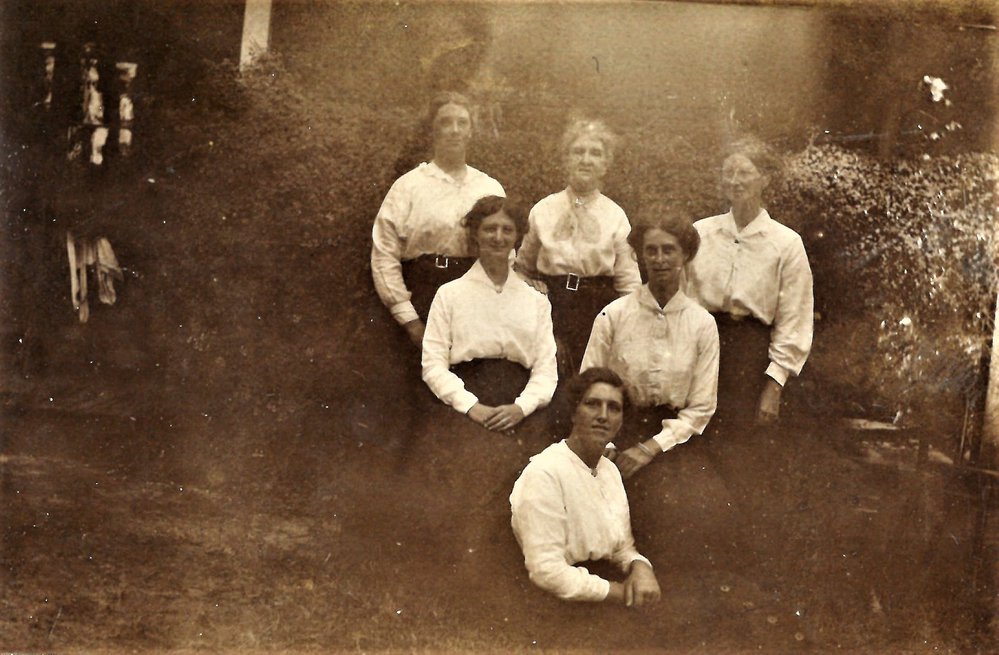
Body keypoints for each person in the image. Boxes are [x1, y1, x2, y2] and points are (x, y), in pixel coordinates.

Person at [685, 136, 813, 428]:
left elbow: (795, 317)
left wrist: (775, 383)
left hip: (749, 355)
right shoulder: (701, 233)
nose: (735, 180)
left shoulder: (786, 243)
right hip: (701, 345)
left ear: (765, 179)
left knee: (737, 444)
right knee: (691, 437)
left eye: (744, 172)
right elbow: (682, 297)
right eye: (729, 172)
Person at [580, 210, 719, 479]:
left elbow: (701, 407)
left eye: (669, 250)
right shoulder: (614, 314)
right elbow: (588, 385)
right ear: (640, 256)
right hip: (614, 433)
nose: (659, 259)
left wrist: (649, 448)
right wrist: (605, 443)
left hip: (674, 440)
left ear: (685, 255)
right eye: (651, 250)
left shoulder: (702, 323)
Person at [510, 367, 661, 605]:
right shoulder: (545, 472)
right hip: (556, 602)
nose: (603, 415)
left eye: (614, 408)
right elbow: (546, 571)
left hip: (605, 588)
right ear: (573, 412)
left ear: (621, 421)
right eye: (592, 404)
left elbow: (622, 547)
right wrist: (621, 594)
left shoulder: (610, 471)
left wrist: (641, 567)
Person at [371, 91, 505, 349]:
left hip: (475, 297)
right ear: (432, 130)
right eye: (446, 122)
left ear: (471, 131)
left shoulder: (489, 188)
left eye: (462, 123)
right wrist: (409, 319)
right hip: (422, 296)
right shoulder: (408, 187)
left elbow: (505, 253)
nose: (454, 130)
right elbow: (384, 253)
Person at [514, 119, 641, 374]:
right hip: (551, 306)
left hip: (595, 308)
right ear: (566, 159)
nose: (586, 159)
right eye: (578, 151)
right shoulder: (543, 209)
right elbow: (520, 269)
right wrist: (530, 284)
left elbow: (629, 285)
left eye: (595, 153)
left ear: (605, 165)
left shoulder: (615, 216)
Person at [422, 195, 557, 432]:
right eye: (489, 229)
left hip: (520, 407)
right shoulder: (449, 294)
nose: (498, 237)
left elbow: (546, 370)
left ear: (517, 236)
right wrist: (471, 406)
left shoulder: (536, 301)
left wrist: (521, 408)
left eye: (507, 230)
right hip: (464, 405)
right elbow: (433, 365)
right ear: (475, 233)